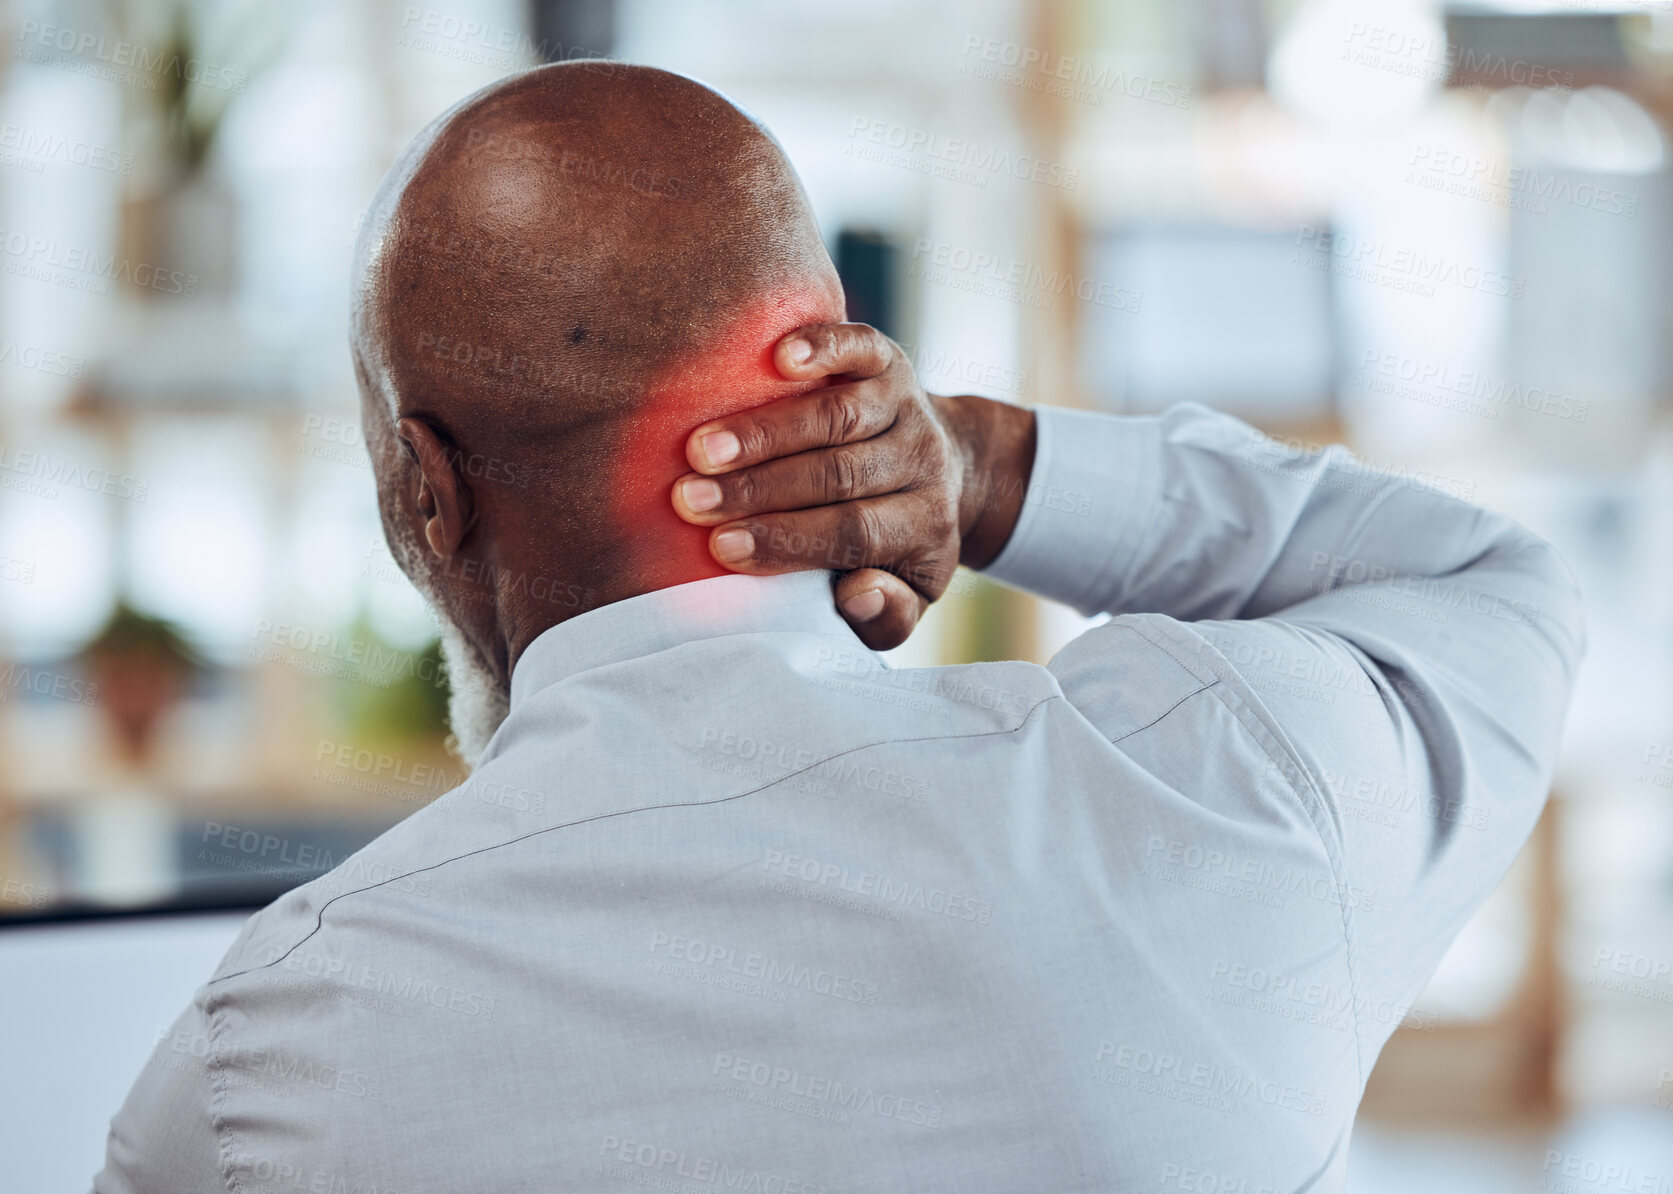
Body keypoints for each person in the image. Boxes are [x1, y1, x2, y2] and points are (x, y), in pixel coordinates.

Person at [94, 63, 1583, 1192]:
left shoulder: (272, 1060)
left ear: (428, 493)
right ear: (834, 392)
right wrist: (987, 466)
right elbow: (1486, 587)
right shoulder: (1219, 791)